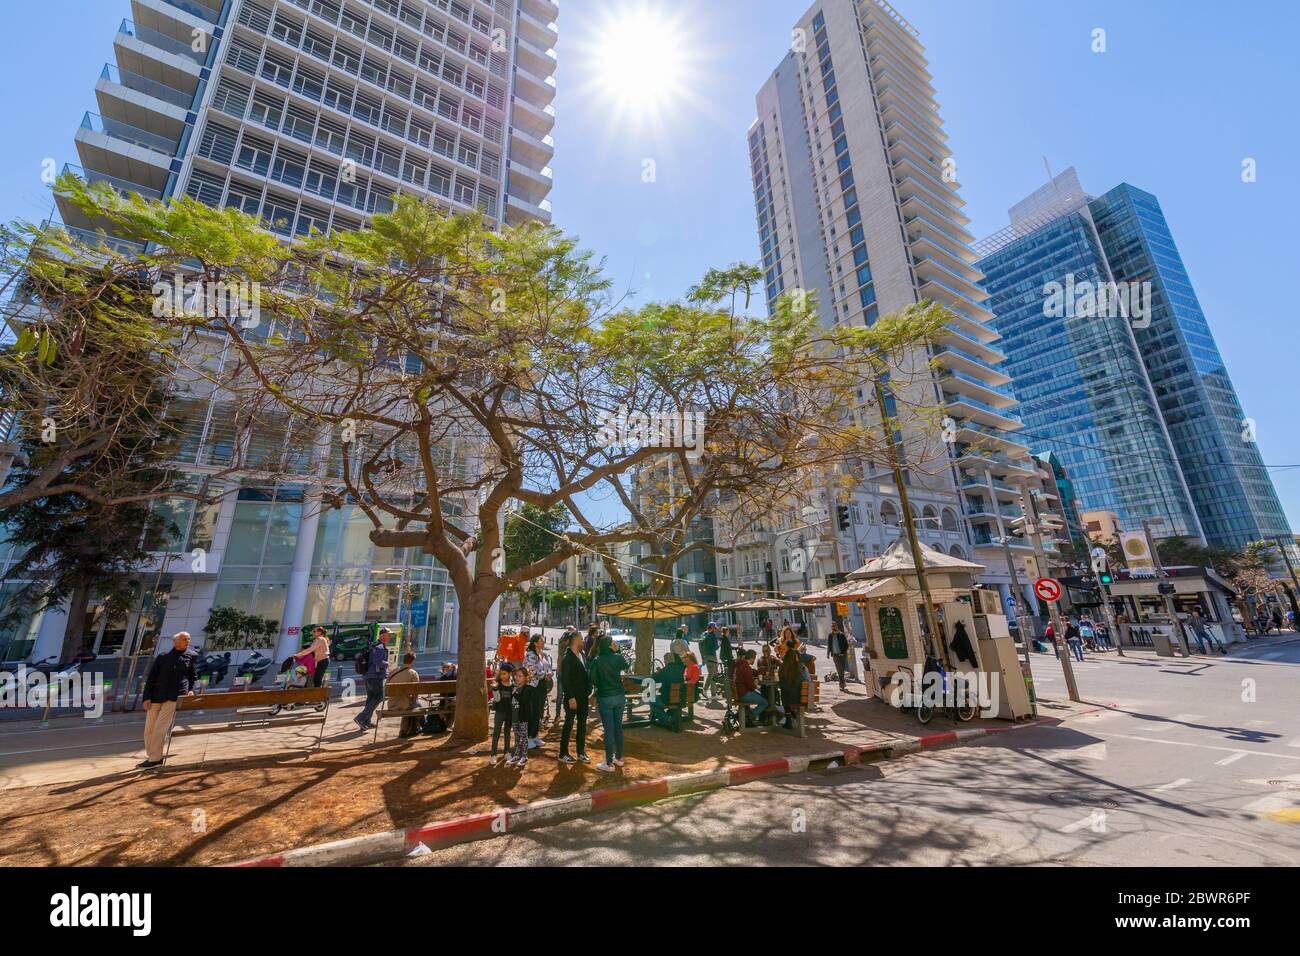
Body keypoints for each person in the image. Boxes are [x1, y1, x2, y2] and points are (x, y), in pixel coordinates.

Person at [138, 631, 197, 769]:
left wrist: (191, 689)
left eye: (188, 639)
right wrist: (146, 697)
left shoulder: (192, 656)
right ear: (175, 641)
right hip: (156, 697)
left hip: (175, 696)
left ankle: (155, 759)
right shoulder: (163, 657)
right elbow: (151, 678)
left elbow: (192, 675)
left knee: (160, 728)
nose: (187, 642)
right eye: (184, 639)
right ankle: (152, 754)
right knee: (149, 729)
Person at [588, 634, 629, 773]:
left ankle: (609, 763)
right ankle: (618, 758)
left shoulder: (597, 660)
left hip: (605, 696)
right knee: (618, 727)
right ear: (610, 645)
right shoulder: (617, 657)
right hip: (619, 695)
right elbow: (626, 665)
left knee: (609, 730)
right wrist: (617, 651)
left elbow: (592, 679)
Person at [558, 631, 592, 765]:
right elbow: (565, 680)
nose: (583, 641)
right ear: (575, 640)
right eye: (581, 639)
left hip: (583, 697)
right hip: (573, 698)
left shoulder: (581, 655)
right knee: (569, 725)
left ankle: (581, 752)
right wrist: (571, 697)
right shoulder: (568, 658)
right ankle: (563, 753)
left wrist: (589, 690)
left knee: (582, 725)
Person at [354, 627, 391, 730]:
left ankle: (366, 721)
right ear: (382, 636)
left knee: (371, 698)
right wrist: (387, 664)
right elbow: (377, 662)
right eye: (389, 635)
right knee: (379, 697)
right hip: (375, 676)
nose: (390, 637)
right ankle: (361, 718)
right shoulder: (380, 647)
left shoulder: (374, 645)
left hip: (368, 675)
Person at [524, 633, 553, 748]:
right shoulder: (531, 655)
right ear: (535, 642)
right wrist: (544, 675)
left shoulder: (543, 654)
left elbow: (548, 667)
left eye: (543, 640)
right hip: (533, 687)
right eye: (541, 640)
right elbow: (531, 671)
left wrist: (549, 674)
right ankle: (528, 737)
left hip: (542, 686)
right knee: (532, 712)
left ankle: (534, 735)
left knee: (539, 711)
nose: (543, 642)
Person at [386, 652, 422, 738]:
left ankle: (405, 730)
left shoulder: (393, 671)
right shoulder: (413, 673)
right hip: (404, 705)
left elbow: (386, 689)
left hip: (391, 704)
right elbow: (415, 692)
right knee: (417, 704)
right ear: (412, 662)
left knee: (410, 703)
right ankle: (420, 726)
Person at [733, 650, 773, 725]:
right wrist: (756, 683)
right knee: (764, 702)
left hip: (740, 692)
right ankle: (749, 717)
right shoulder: (746, 668)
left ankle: (753, 717)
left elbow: (753, 671)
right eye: (754, 659)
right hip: (744, 694)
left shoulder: (742, 665)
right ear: (751, 658)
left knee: (761, 695)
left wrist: (762, 672)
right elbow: (751, 686)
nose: (754, 661)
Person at [507, 666, 534, 768]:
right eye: (516, 676)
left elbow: (524, 701)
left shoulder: (528, 688)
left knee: (523, 737)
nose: (517, 678)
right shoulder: (515, 687)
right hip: (514, 717)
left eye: (520, 676)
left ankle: (524, 756)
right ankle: (517, 755)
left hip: (523, 717)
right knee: (517, 737)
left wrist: (515, 694)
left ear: (526, 678)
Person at [650, 650, 686, 728]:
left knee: (651, 700)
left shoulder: (664, 671)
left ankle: (666, 718)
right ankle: (667, 716)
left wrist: (658, 672)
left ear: (666, 660)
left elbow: (653, 679)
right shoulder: (680, 669)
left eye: (664, 660)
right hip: (680, 698)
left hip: (666, 699)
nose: (664, 661)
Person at [778, 645, 808, 731]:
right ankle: (792, 717)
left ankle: (788, 720)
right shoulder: (800, 666)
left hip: (789, 701)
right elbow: (805, 680)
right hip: (800, 699)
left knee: (784, 692)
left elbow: (781, 682)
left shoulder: (783, 668)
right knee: (789, 692)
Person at [489, 666, 514, 764]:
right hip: (500, 712)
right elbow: (497, 699)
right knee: (496, 732)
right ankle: (493, 754)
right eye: (501, 673)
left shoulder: (513, 685)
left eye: (505, 674)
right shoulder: (498, 684)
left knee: (507, 732)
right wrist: (495, 689)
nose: (502, 676)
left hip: (509, 712)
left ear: (509, 674)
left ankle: (506, 752)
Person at [827, 621, 850, 691]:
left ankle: (842, 683)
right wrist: (828, 653)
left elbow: (846, 645)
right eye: (832, 626)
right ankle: (841, 684)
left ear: (837, 626)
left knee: (841, 669)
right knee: (839, 669)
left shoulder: (841, 634)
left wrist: (843, 652)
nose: (833, 627)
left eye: (834, 626)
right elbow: (829, 645)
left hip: (841, 654)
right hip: (835, 655)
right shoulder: (830, 635)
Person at [700, 622, 721, 691]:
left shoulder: (704, 634)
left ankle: (713, 693)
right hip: (712, 656)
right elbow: (714, 647)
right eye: (715, 628)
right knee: (713, 675)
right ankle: (705, 689)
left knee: (712, 674)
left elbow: (701, 646)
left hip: (706, 656)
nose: (715, 629)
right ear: (712, 628)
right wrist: (718, 644)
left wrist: (703, 658)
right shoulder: (712, 635)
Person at [718, 625, 736, 704]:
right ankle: (730, 684)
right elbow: (728, 647)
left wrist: (735, 648)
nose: (729, 632)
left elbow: (728, 647)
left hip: (724, 657)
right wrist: (736, 648)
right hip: (726, 658)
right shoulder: (724, 638)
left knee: (728, 670)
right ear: (726, 632)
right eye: (728, 631)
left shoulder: (722, 638)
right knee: (730, 670)